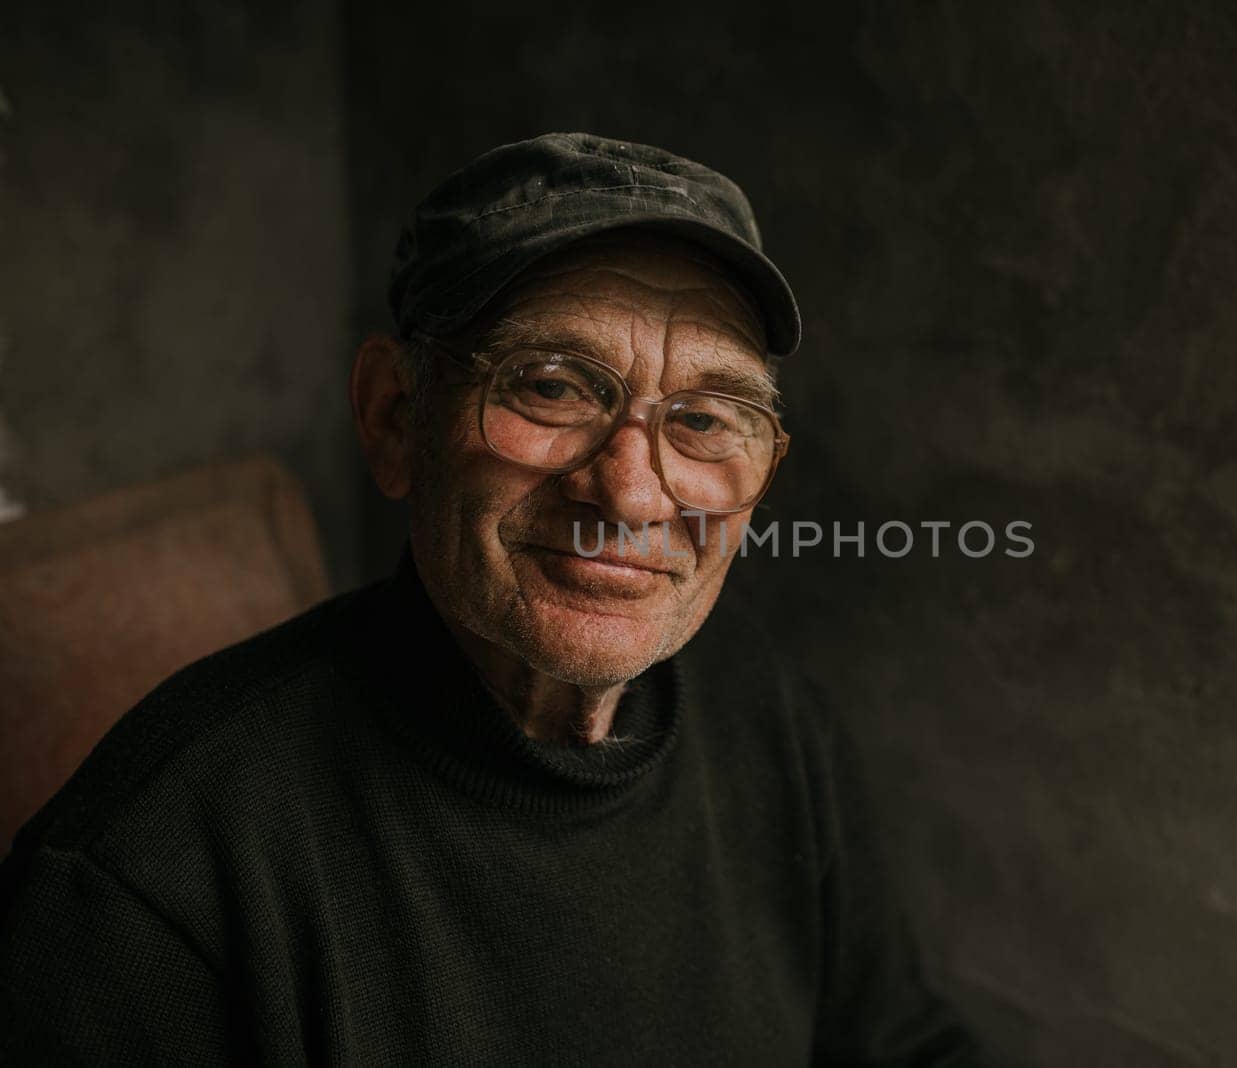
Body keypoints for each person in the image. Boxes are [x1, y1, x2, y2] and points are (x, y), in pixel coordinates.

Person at [0, 132, 983, 1065]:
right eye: (551, 386)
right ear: (394, 419)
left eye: (706, 418)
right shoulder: (150, 873)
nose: (634, 492)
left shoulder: (766, 724)